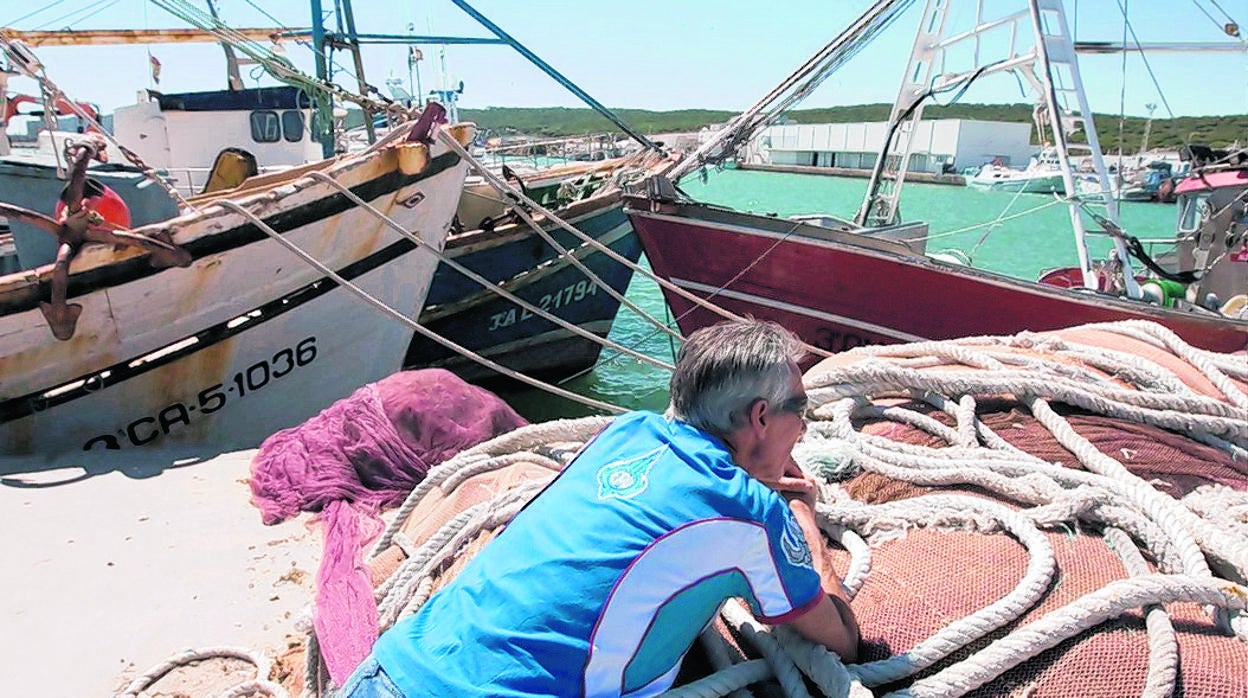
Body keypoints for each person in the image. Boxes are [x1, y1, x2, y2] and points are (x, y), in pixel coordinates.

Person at [342, 318, 860, 697]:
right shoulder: (749, 514)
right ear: (762, 417)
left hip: (386, 671)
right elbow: (842, 641)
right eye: (802, 408)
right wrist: (800, 514)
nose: (807, 425)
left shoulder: (623, 432)